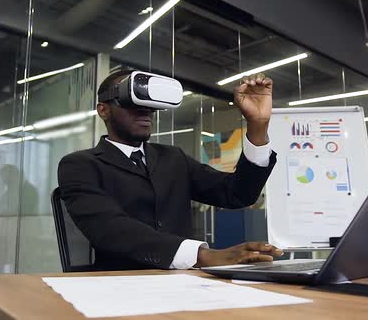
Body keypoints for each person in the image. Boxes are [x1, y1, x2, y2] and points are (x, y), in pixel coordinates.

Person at [58, 69, 282, 270]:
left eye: (149, 103)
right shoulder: (80, 165)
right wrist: (202, 255)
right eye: (131, 101)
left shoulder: (173, 158)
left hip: (185, 283)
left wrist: (257, 126)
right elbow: (109, 228)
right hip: (121, 282)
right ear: (103, 110)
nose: (145, 111)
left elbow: (237, 194)